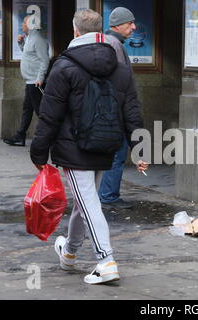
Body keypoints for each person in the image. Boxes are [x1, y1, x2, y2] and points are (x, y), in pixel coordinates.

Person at [30, 9, 148, 285]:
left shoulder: (63, 66)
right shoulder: (119, 66)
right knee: (84, 203)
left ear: (75, 31)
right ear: (99, 30)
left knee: (88, 203)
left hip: (74, 148)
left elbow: (50, 114)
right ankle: (69, 253)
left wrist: (38, 152)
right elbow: (132, 110)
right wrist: (141, 149)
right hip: (106, 144)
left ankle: (105, 260)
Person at [98, 7, 137, 209]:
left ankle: (106, 194)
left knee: (113, 154)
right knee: (118, 154)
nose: (133, 27)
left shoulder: (107, 41)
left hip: (105, 110)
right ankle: (108, 196)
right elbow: (120, 82)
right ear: (118, 25)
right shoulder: (114, 45)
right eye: (129, 23)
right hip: (114, 111)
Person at [4, 15, 49, 147]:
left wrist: (40, 79)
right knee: (27, 109)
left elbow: (44, 60)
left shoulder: (38, 40)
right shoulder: (30, 38)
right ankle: (20, 136)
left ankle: (51, 138)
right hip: (30, 81)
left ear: (30, 25)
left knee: (41, 111)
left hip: (35, 82)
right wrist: (20, 44)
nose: (22, 25)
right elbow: (28, 54)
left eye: (24, 23)